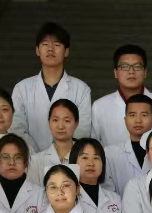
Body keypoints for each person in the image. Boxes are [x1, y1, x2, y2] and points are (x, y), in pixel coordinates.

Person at [10, 22, 91, 152]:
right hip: (31, 158)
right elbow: (16, 128)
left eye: (57, 45)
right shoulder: (21, 88)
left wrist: (61, 154)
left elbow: (82, 129)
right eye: (45, 44)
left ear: (66, 52)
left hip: (68, 159)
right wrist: (37, 157)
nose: (50, 49)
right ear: (37, 50)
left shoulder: (81, 89)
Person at [91, 44, 152, 147]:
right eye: (124, 67)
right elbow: (93, 145)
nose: (131, 72)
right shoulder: (100, 106)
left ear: (145, 72)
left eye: (137, 67)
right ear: (115, 72)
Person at [103, 94, 152, 195]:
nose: (138, 120)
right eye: (132, 115)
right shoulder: (110, 153)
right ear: (125, 120)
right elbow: (108, 193)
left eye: (144, 115)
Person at [29, 99, 80, 185]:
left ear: (76, 123)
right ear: (49, 122)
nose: (60, 126)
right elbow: (32, 191)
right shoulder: (36, 161)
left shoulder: (85, 158)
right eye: (55, 120)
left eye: (67, 121)